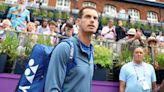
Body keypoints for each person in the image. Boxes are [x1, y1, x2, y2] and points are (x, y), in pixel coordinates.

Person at [44, 6, 99, 92]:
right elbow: (51, 88)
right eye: (88, 16)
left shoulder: (91, 51)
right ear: (78, 22)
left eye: (95, 18)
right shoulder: (65, 48)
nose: (92, 20)